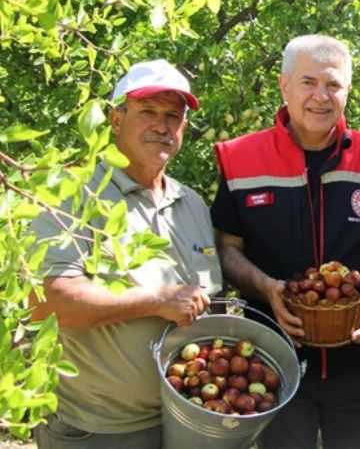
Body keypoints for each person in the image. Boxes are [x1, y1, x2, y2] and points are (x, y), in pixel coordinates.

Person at [210, 34, 360, 449]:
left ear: (348, 91)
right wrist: (267, 287)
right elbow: (227, 248)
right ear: (285, 86)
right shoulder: (241, 158)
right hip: (271, 362)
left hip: (359, 362)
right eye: (308, 83)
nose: (321, 96)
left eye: (333, 85)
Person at [30, 60, 221, 449]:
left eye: (173, 116)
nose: (161, 125)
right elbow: (49, 301)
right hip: (101, 429)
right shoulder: (71, 193)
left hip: (186, 418)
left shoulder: (192, 204)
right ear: (116, 120)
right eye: (147, 112)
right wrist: (156, 300)